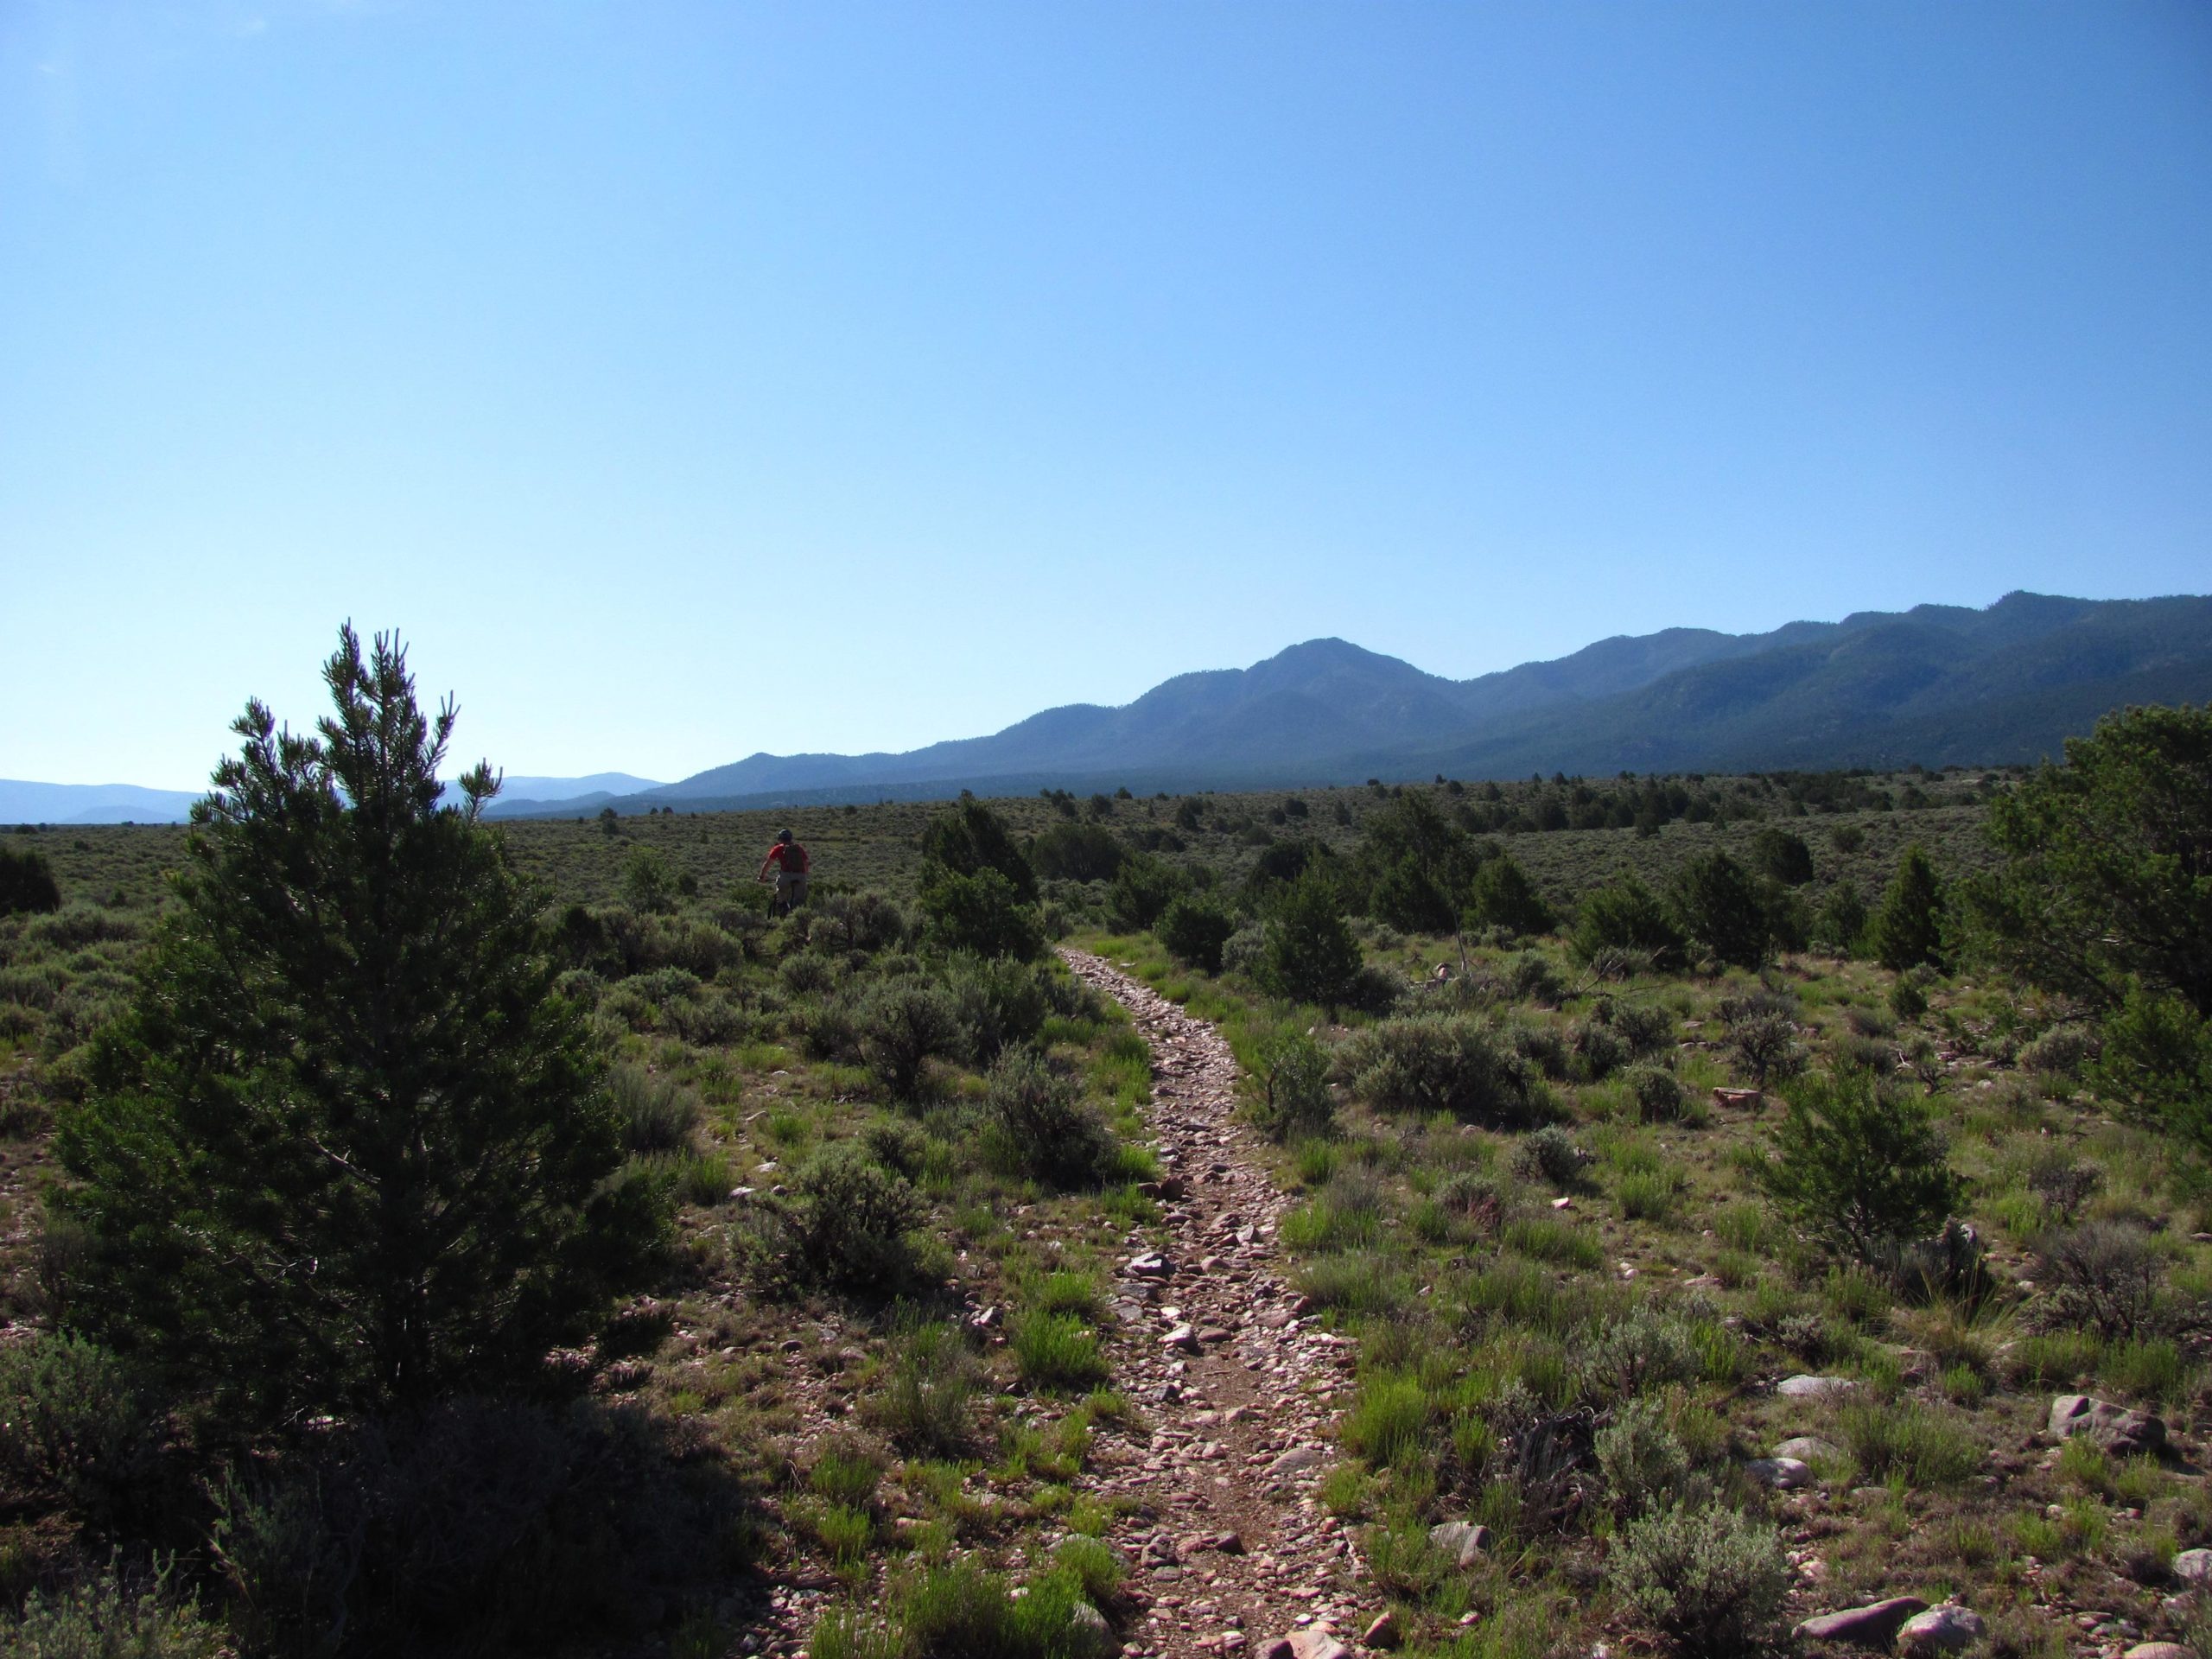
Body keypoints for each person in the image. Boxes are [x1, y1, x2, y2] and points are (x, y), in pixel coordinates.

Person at [759, 828, 810, 915]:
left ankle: (783, 906)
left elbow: (768, 863)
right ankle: (799, 916)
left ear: (780, 839)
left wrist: (762, 876)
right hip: (801, 876)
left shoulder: (778, 848)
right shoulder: (798, 848)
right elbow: (806, 863)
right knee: (799, 900)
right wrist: (804, 875)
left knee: (781, 891)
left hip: (786, 876)